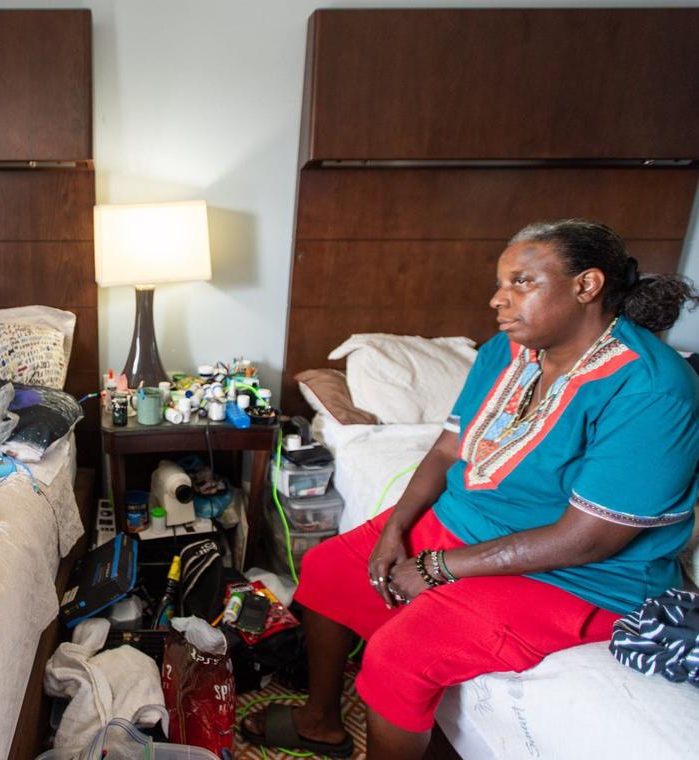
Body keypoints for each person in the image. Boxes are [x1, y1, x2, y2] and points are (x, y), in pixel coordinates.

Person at [242, 220, 699, 759]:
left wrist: (440, 567)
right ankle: (321, 723)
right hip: (464, 524)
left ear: (587, 285)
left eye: (521, 283)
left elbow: (588, 540)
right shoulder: (505, 352)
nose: (497, 301)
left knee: (397, 655)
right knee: (326, 569)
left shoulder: (650, 388)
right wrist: (394, 529)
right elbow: (443, 451)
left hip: (575, 575)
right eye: (501, 284)